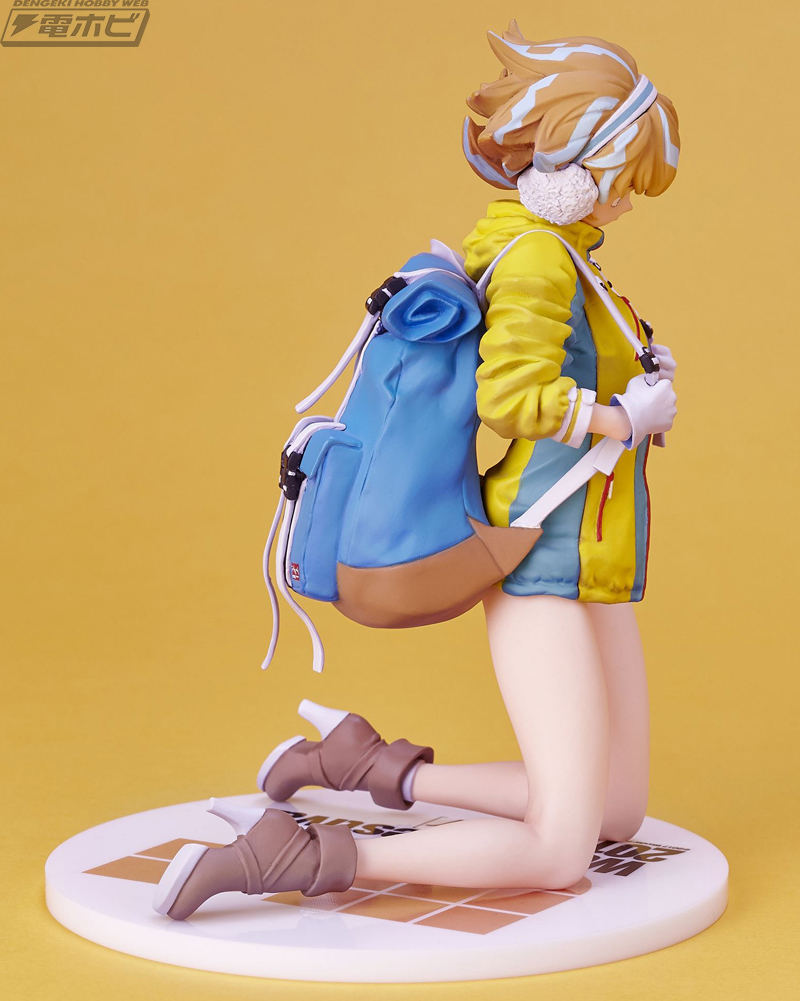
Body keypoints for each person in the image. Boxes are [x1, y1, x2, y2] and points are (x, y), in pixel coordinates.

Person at [153, 24, 680, 920]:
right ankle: (304, 852)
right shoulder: (539, 259)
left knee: (617, 810)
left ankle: (363, 763)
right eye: (621, 177)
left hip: (595, 549)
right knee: (560, 849)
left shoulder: (562, 255)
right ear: (570, 167)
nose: (627, 200)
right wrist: (620, 416)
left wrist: (634, 371)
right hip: (543, 552)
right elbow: (512, 394)